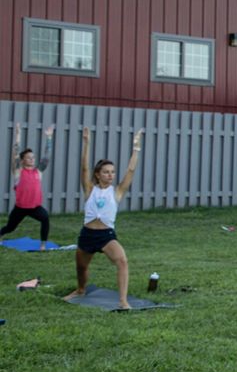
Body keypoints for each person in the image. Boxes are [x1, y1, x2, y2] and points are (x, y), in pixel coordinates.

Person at [63, 126, 143, 310]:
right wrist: (86, 143)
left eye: (112, 172)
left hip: (106, 236)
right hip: (87, 235)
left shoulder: (117, 192)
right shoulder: (90, 189)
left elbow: (130, 171)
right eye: (106, 172)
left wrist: (136, 148)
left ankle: (123, 300)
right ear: (98, 174)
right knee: (81, 268)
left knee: (122, 261)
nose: (110, 175)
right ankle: (81, 290)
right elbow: (84, 168)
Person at [1, 124, 54, 250]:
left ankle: (43, 244)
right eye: (29, 158)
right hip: (20, 208)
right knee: (10, 227)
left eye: (33, 157)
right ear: (23, 160)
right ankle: (1, 234)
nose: (32, 159)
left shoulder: (38, 171)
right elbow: (15, 153)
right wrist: (18, 135)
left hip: (35, 207)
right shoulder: (18, 172)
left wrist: (49, 137)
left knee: (45, 218)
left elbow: (47, 156)